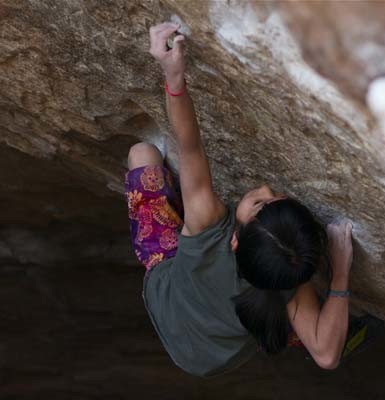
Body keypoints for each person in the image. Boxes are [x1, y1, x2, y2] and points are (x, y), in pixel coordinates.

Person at [123, 22, 354, 377]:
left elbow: (190, 147)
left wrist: (173, 74)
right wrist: (339, 273)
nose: (265, 188)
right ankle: (298, 333)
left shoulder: (206, 226)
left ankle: (297, 332)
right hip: (215, 358)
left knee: (142, 155)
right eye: (275, 197)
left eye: (263, 203)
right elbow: (326, 356)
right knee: (291, 311)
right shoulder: (289, 281)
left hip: (165, 297)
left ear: (232, 239)